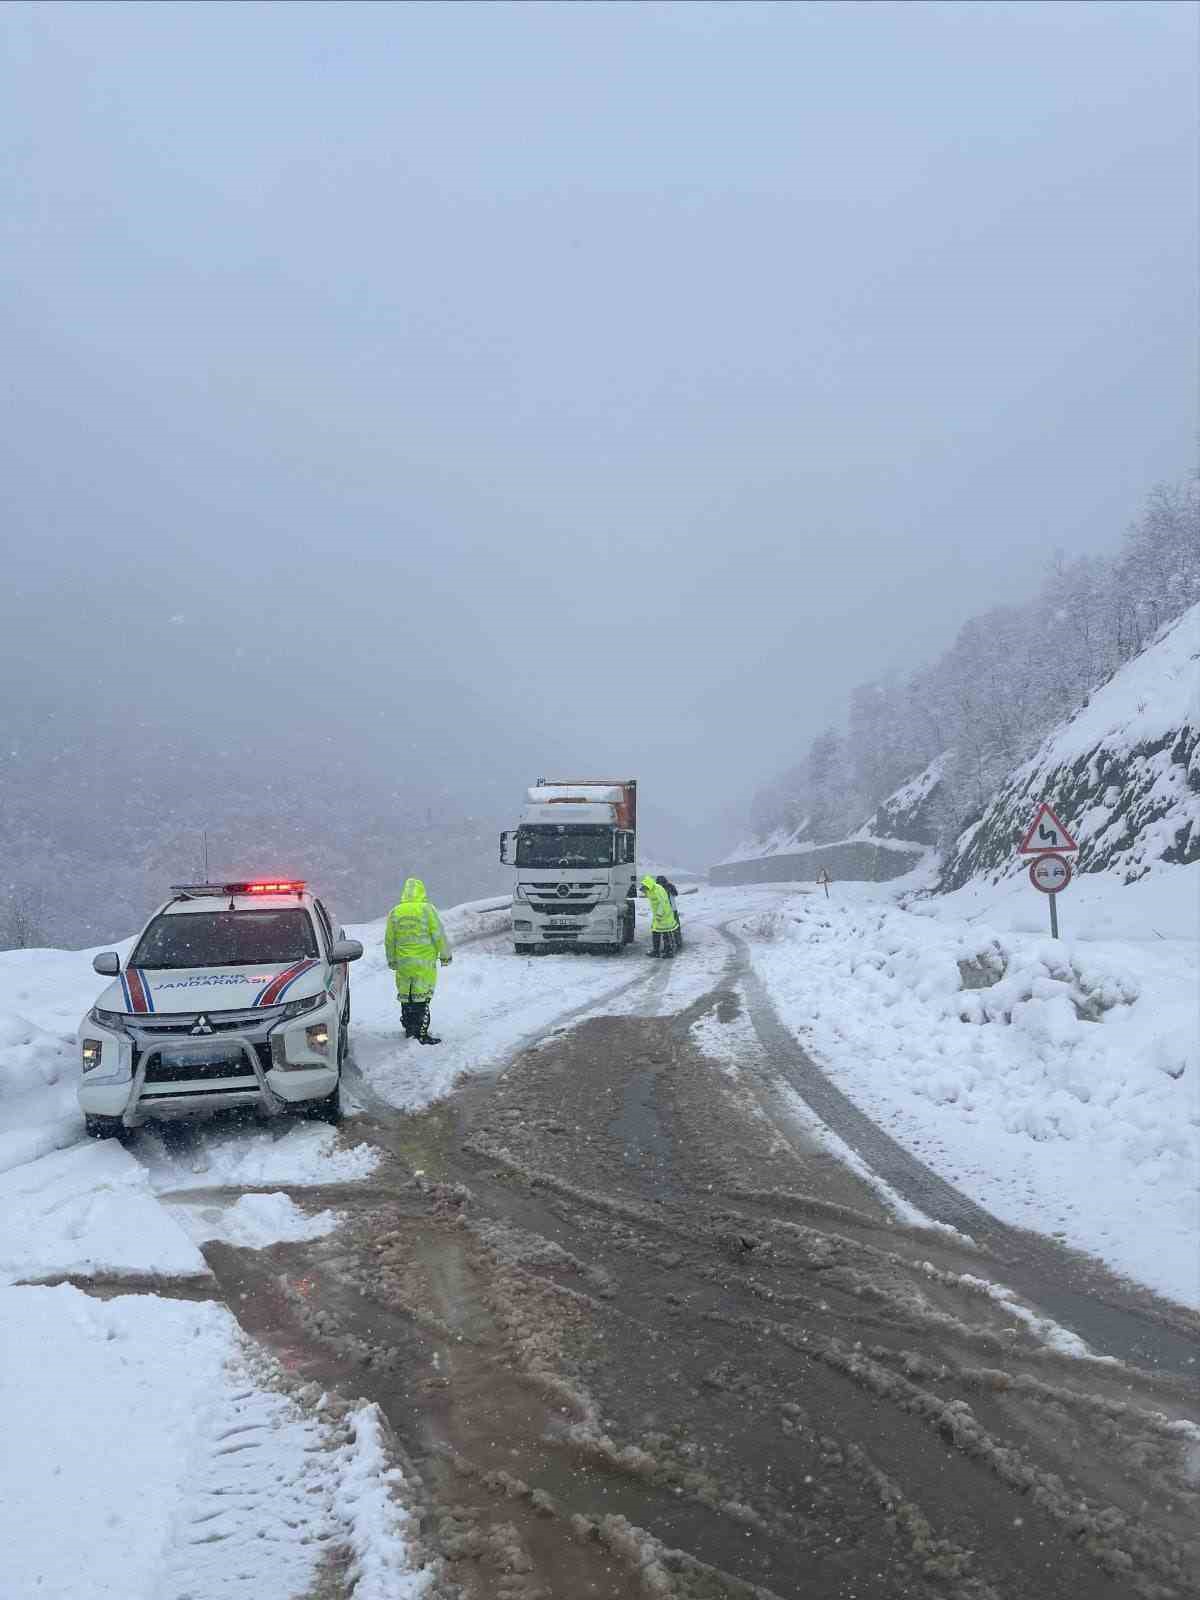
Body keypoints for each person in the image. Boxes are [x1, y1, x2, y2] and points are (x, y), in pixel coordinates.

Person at [384, 877, 452, 1044]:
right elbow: (438, 934)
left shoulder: (396, 912)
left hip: (404, 963)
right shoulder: (427, 910)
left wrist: (392, 960)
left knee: (407, 996)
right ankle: (421, 1033)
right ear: (422, 891)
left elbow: (389, 939)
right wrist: (445, 955)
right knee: (422, 998)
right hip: (424, 963)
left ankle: (409, 1028)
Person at [641, 873, 679, 958]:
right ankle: (656, 951)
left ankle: (669, 952)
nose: (644, 891)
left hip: (664, 916)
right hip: (658, 917)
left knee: (666, 933)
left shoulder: (658, 889)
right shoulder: (651, 890)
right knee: (655, 932)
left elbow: (663, 903)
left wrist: (658, 915)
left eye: (644, 889)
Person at [655, 874, 682, 949]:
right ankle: (678, 942)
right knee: (675, 927)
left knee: (668, 929)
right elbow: (675, 894)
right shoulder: (670, 886)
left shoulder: (662, 889)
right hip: (673, 910)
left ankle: (671, 944)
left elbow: (664, 900)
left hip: (668, 910)